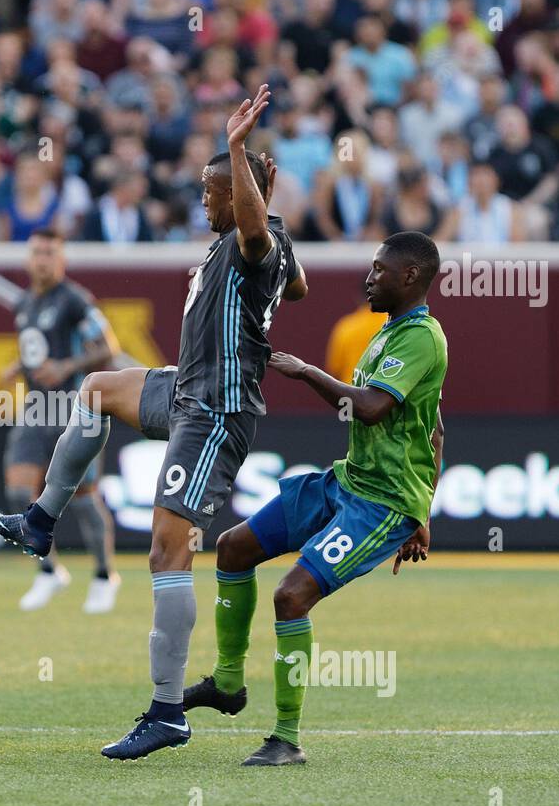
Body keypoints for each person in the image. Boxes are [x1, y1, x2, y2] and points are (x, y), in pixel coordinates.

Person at [0, 85, 308, 760]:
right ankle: (42, 521)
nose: (202, 200)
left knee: (168, 550)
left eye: (210, 192)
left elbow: (258, 238)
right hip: (184, 389)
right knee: (98, 388)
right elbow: (297, 286)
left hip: (215, 410)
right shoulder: (266, 241)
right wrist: (262, 205)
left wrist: (240, 150)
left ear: (236, 193)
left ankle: (167, 714)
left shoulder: (253, 244)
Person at [184, 231, 446, 767]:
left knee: (290, 595)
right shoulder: (387, 332)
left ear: (410, 277)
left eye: (378, 269)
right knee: (233, 548)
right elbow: (435, 426)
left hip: (382, 502)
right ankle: (229, 682)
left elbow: (371, 408)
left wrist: (306, 373)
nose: (369, 277)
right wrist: (430, 507)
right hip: (345, 482)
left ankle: (286, 738)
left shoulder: (422, 337)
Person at [0, 228, 122, 613]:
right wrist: (19, 366)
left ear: (62, 259)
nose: (42, 259)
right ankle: (49, 570)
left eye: (50, 253)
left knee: (84, 498)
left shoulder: (74, 300)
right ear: (27, 258)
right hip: (37, 406)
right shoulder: (24, 304)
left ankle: (104, 576)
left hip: (75, 406)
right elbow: (40, 353)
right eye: (36, 252)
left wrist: (66, 366)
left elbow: (109, 348)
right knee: (19, 490)